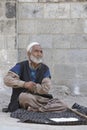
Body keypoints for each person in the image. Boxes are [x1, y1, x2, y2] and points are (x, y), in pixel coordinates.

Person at [4, 42, 67, 112]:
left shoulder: (45, 68)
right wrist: (24, 84)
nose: (39, 54)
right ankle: (46, 109)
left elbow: (46, 89)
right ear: (29, 53)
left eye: (41, 52)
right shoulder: (21, 66)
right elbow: (7, 80)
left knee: (63, 104)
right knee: (25, 97)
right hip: (24, 98)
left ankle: (37, 110)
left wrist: (34, 87)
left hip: (39, 98)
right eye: (36, 51)